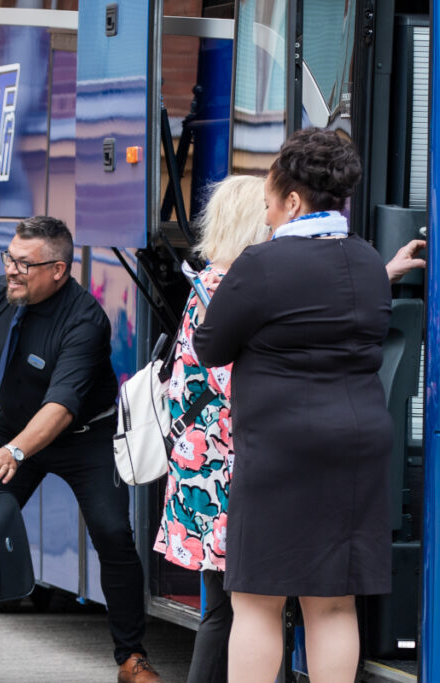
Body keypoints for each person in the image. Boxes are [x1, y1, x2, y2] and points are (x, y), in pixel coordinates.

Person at [193, 127, 394, 683]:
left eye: (270, 205)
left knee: (257, 599)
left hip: (283, 448)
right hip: (357, 446)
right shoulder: (368, 262)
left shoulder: (263, 264)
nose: (269, 217)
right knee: (332, 601)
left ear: (294, 200)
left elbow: (210, 346)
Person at [0, 216, 162, 683]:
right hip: (14, 430)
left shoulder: (85, 319)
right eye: (10, 258)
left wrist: (15, 453)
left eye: (24, 263)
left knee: (113, 534)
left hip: (84, 439)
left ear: (58, 269)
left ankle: (131, 658)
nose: (12, 270)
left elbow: (62, 406)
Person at [153, 175, 270, 683]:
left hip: (199, 465)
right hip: (228, 470)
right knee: (239, 610)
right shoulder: (237, 292)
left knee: (221, 608)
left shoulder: (206, 282)